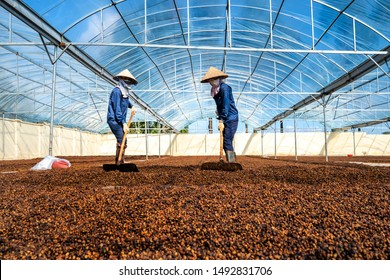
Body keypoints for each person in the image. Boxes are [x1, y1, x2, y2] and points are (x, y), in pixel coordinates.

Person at [201, 66, 239, 162]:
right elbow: (220, 104)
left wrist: (222, 118)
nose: (211, 82)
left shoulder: (224, 88)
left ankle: (232, 162)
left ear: (219, 79)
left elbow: (226, 104)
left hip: (231, 118)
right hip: (225, 117)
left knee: (226, 140)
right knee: (227, 140)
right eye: (210, 80)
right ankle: (232, 161)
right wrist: (218, 112)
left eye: (213, 80)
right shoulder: (215, 90)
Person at [107, 69, 137, 164]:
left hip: (119, 120)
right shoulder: (117, 91)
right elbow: (117, 109)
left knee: (123, 139)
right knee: (121, 138)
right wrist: (123, 123)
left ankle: (119, 161)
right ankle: (119, 162)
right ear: (121, 78)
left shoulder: (124, 92)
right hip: (114, 120)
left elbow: (126, 102)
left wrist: (132, 106)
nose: (128, 81)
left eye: (129, 79)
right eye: (126, 79)